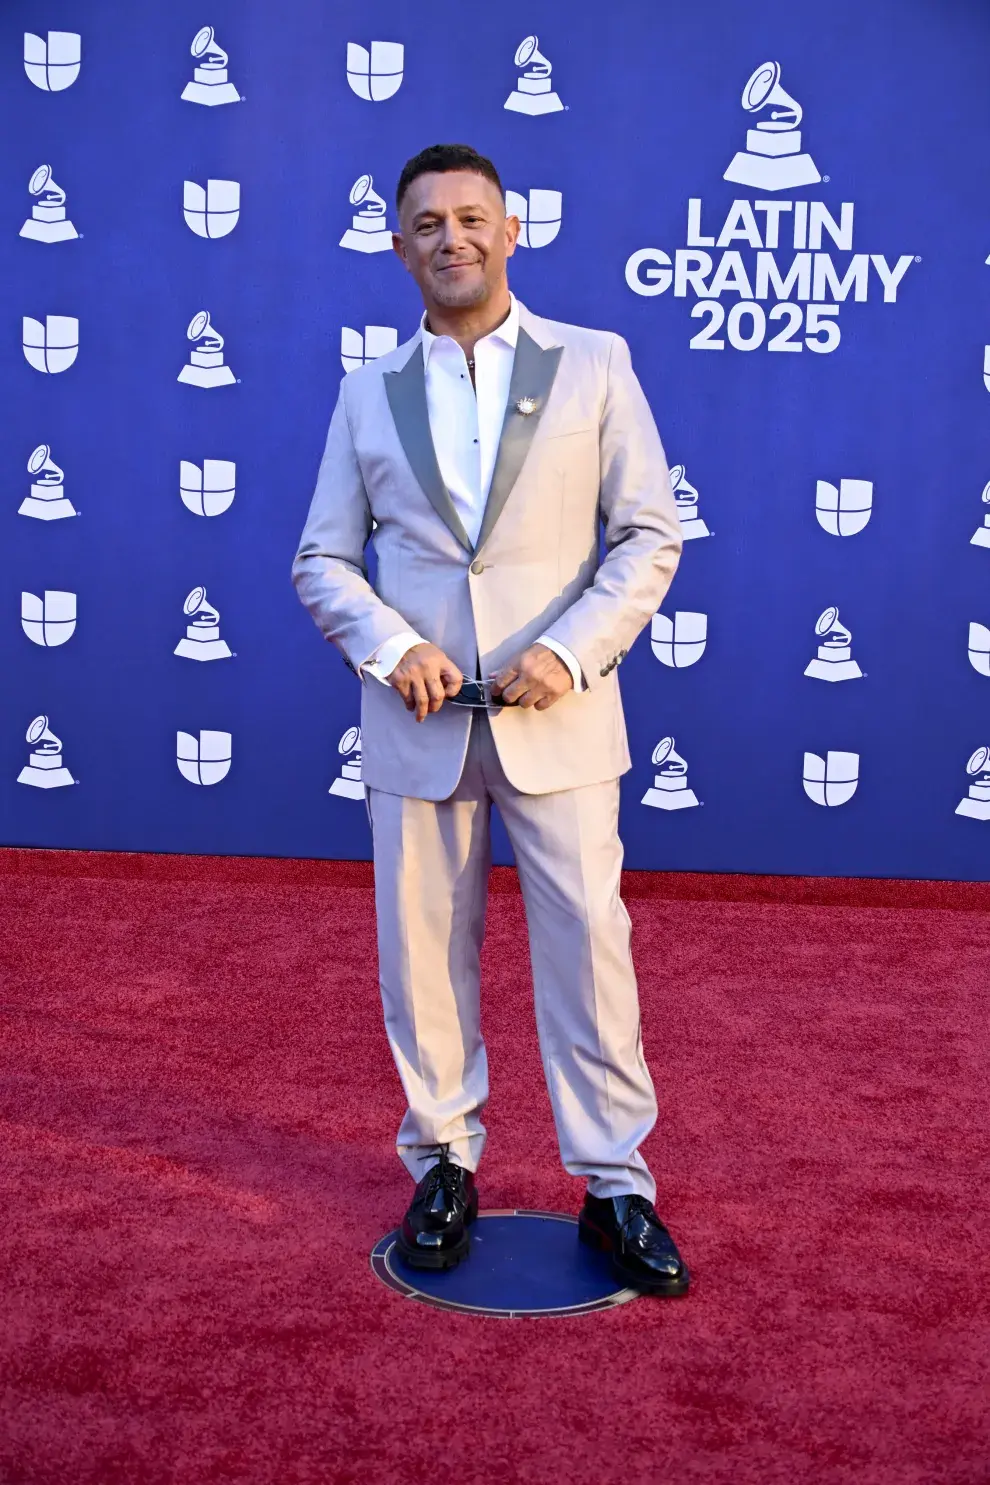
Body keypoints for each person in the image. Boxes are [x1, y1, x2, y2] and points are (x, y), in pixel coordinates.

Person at [292, 143, 688, 1295]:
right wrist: (390, 647)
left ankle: (614, 1185)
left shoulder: (595, 363)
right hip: (416, 726)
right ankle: (442, 1166)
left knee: (590, 953)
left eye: (471, 217)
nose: (451, 238)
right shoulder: (367, 391)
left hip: (560, 719)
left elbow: (648, 533)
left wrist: (566, 651)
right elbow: (323, 559)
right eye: (428, 223)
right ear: (399, 247)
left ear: (511, 230)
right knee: (421, 959)